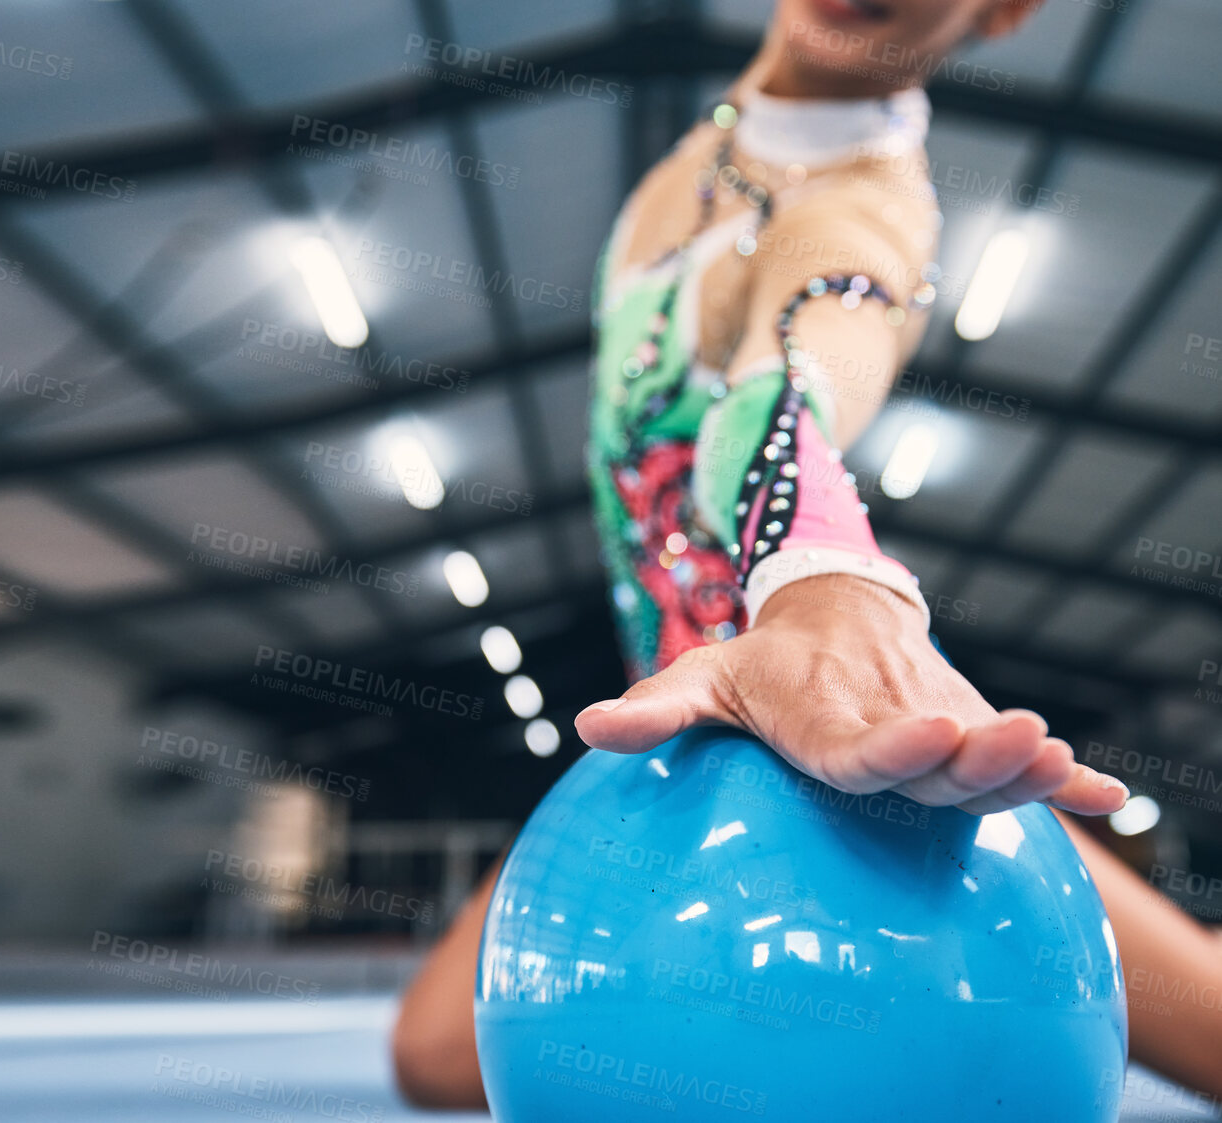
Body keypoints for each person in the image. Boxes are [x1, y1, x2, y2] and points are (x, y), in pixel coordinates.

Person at [391, 0, 1222, 1108]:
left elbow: (789, 379)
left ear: (1003, 10)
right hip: (680, 724)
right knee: (439, 1047)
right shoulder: (694, 163)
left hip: (830, 750)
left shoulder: (862, 206)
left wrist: (823, 576)